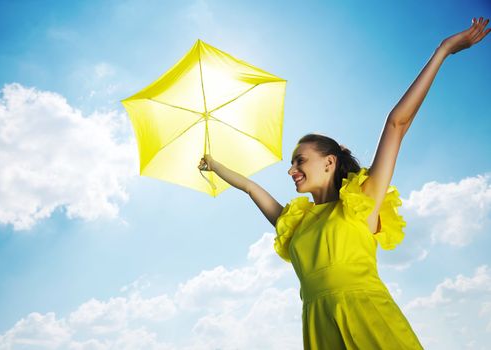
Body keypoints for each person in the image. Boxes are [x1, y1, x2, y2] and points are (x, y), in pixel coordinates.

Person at [198, 18, 490, 349]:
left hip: (369, 321)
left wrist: (444, 51)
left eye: (299, 160)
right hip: (319, 329)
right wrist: (215, 165)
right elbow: (252, 188)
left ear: (329, 162)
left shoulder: (361, 200)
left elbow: (397, 123)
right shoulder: (295, 223)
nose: (292, 169)